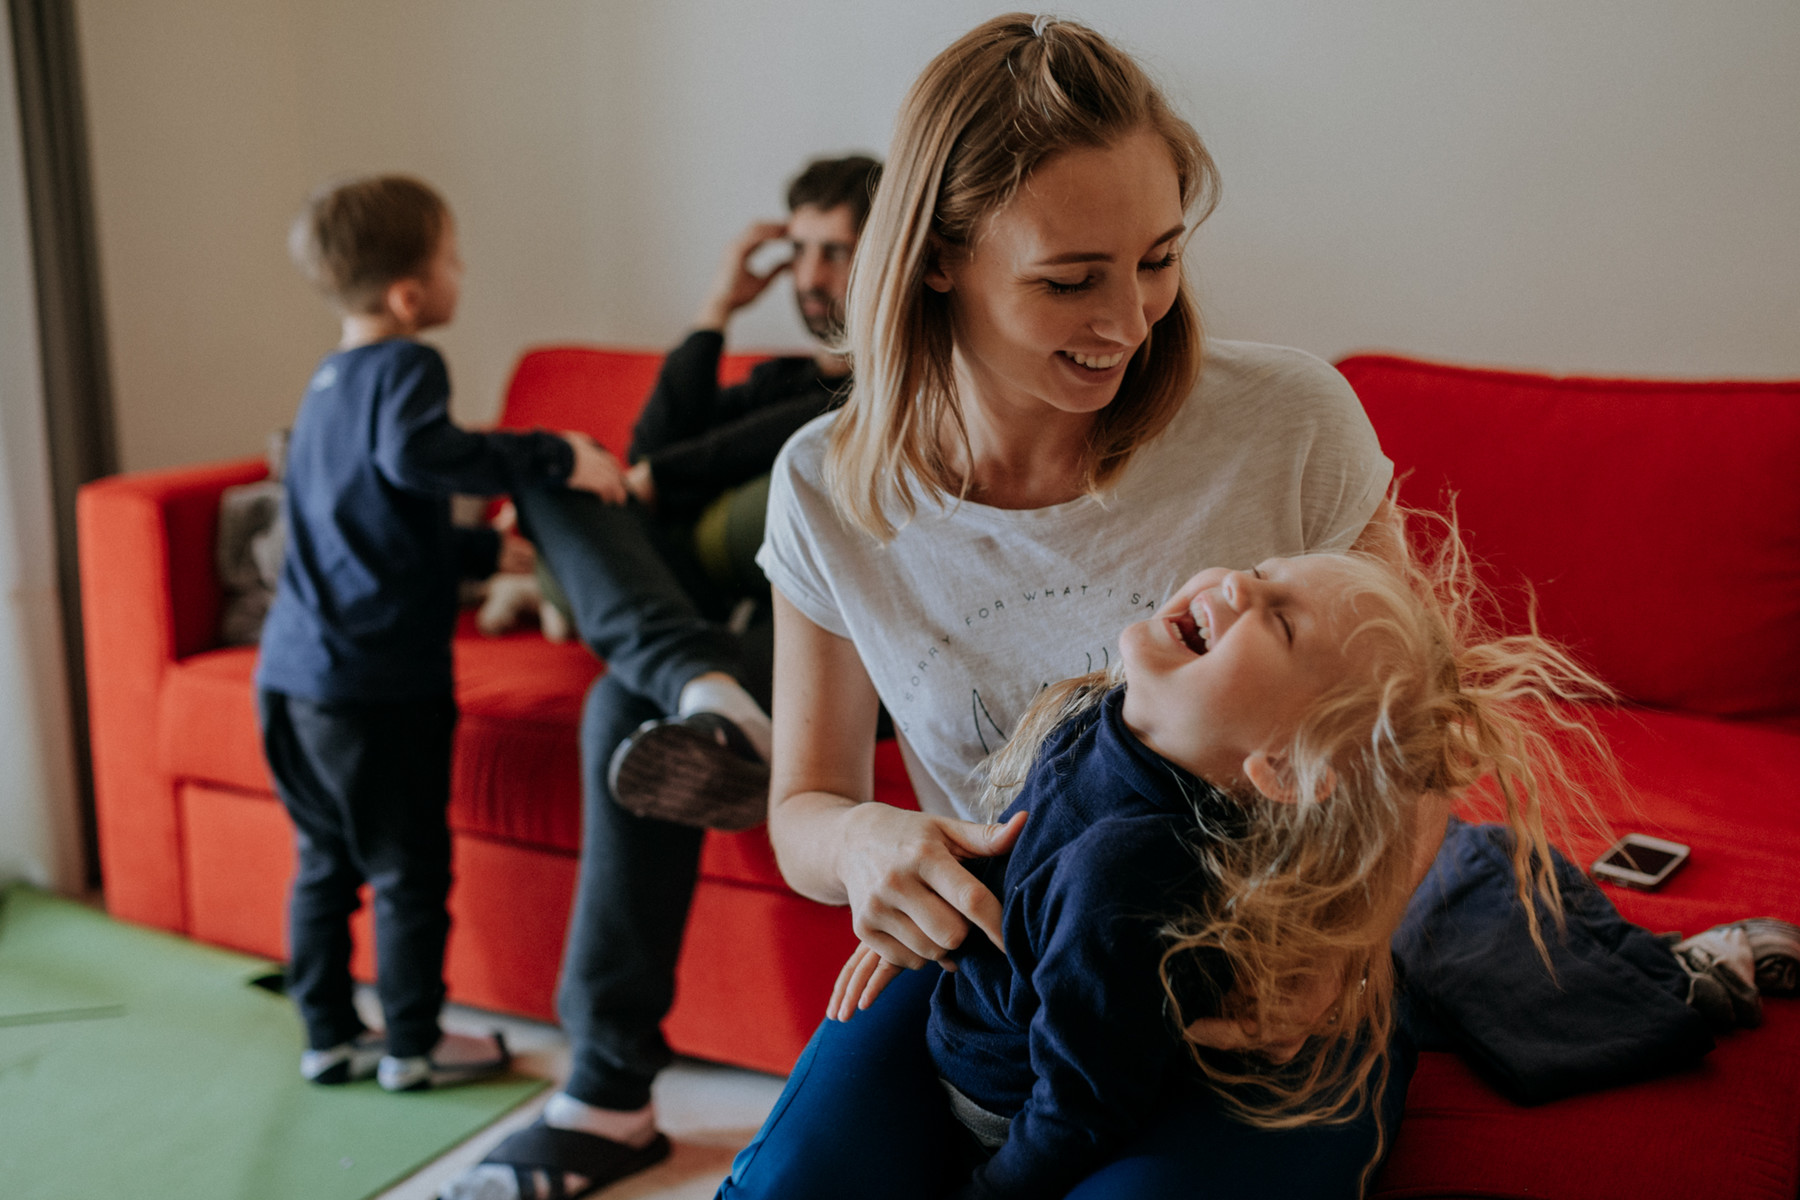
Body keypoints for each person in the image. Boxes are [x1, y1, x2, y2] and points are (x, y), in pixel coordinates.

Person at [725, 14, 1420, 1197]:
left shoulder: (1292, 420)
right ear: (936, 259)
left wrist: (1334, 957)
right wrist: (860, 839)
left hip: (1257, 975)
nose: (1132, 319)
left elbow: (1416, 730)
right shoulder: (826, 489)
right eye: (1069, 280)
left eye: (1159, 258)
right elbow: (804, 805)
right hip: (997, 970)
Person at [830, 524, 1614, 1199]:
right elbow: (1017, 855)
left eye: (1280, 624)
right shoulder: (1096, 718)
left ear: (1280, 768)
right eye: (1263, 573)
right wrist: (924, 911)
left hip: (1005, 1106)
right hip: (988, 1023)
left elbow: (1083, 1099)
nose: (1237, 584)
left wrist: (992, 1192)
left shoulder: (1125, 876)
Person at [445, 155, 882, 1199]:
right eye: (801, 249)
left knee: (618, 697)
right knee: (544, 459)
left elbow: (779, 450)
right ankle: (695, 684)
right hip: (710, 634)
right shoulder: (776, 369)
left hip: (807, 650)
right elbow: (636, 453)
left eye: (836, 248)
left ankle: (606, 1096)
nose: (813, 271)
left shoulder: (899, 381)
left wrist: (654, 478)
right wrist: (713, 310)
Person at [258, 174, 617, 1092]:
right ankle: (414, 1045)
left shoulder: (326, 383)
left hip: (292, 678)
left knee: (324, 865)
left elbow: (368, 523)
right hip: (378, 687)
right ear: (408, 295)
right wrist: (550, 454)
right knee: (410, 867)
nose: (462, 272)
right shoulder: (410, 366)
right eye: (452, 258)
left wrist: (478, 556)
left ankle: (328, 1035)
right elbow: (417, 456)